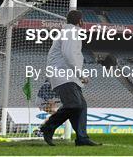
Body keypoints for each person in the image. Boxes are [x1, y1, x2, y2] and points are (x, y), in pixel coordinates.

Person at [39, 10, 100, 146]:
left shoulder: (69, 32)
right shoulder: (71, 32)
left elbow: (70, 56)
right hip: (63, 75)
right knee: (74, 105)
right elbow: (69, 55)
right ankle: (48, 127)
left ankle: (82, 138)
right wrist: (81, 75)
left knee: (81, 106)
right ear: (80, 21)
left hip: (68, 76)